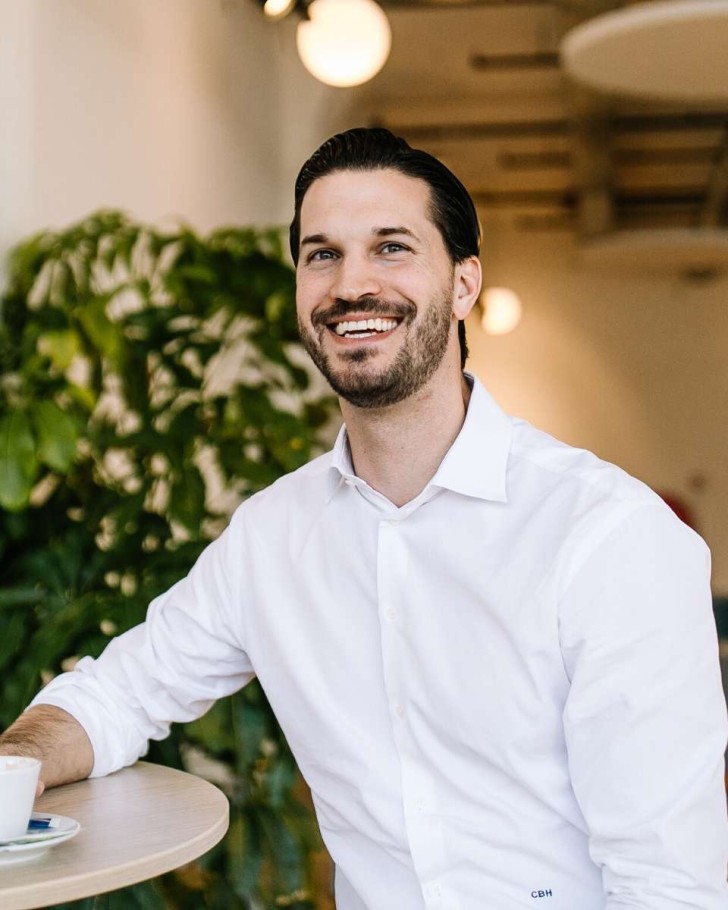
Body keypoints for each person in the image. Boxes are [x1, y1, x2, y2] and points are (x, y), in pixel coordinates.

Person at [1, 127, 727, 910]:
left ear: (464, 285)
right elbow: (119, 696)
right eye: (322, 255)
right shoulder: (271, 537)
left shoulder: (610, 536)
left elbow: (669, 888)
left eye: (391, 247)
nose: (351, 285)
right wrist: (15, 764)